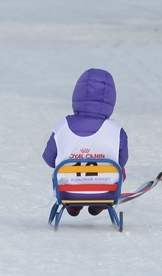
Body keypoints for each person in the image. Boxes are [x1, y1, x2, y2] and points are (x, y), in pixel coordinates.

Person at [42, 68, 129, 216]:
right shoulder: (116, 130)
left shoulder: (62, 127)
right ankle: (99, 205)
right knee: (119, 170)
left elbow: (50, 160)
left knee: (60, 169)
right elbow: (122, 160)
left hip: (68, 192)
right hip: (105, 191)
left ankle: (73, 206)